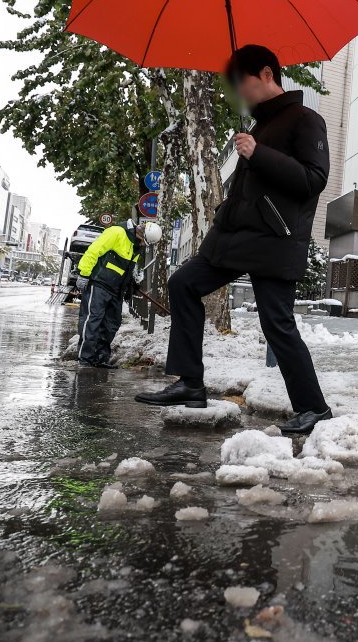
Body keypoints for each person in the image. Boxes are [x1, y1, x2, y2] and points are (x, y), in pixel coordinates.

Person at [135, 45, 332, 433]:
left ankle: (314, 408)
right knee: (183, 283)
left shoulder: (305, 120)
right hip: (235, 236)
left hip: (275, 238)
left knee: (277, 322)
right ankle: (191, 382)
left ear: (266, 74)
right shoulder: (258, 126)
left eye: (242, 83)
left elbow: (314, 179)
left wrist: (258, 154)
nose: (239, 93)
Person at [76, 219, 161, 368]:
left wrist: (130, 284)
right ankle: (86, 359)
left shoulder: (135, 245)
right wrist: (84, 273)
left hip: (116, 290)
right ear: (142, 233)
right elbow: (94, 250)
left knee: (111, 324)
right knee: (92, 321)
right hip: (99, 283)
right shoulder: (117, 232)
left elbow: (128, 267)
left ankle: (101, 358)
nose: (144, 245)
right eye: (145, 242)